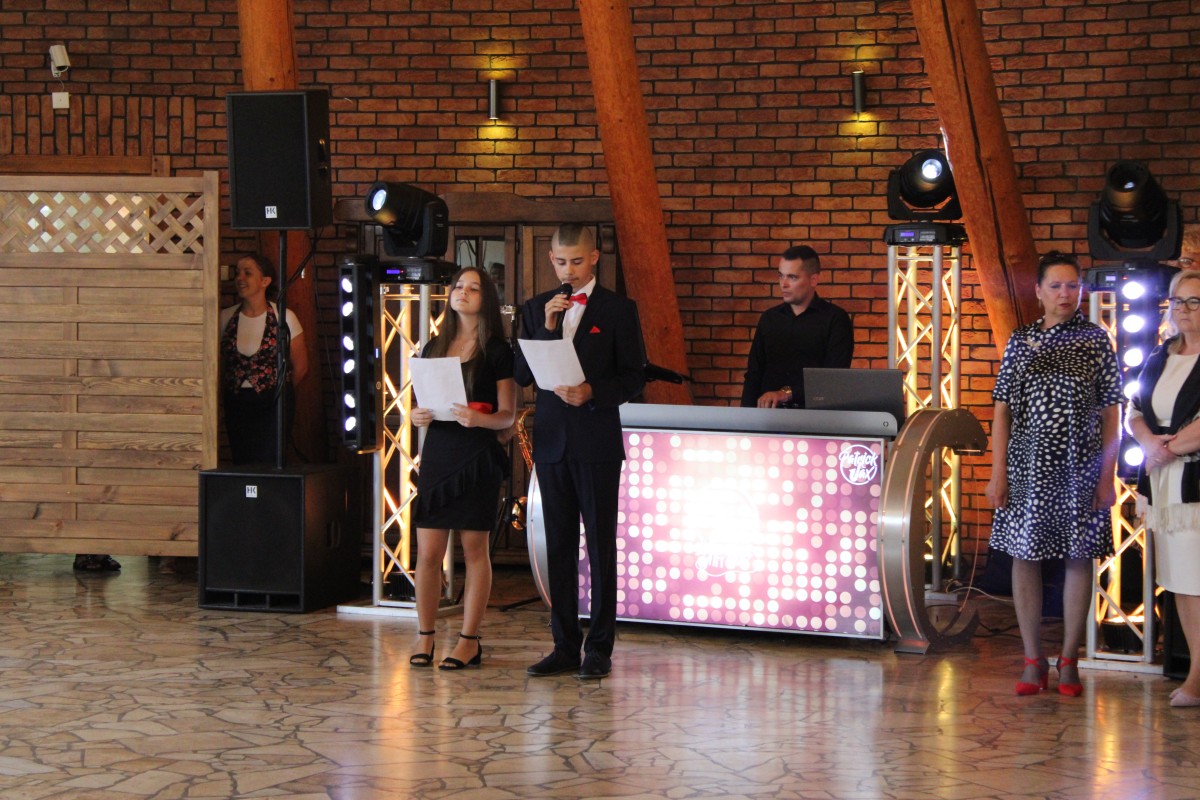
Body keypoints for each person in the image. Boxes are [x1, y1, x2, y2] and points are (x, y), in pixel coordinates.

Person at [985, 252, 1122, 697]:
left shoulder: (1095, 339)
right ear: (1039, 291)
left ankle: (1069, 660)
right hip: (1026, 466)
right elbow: (1001, 411)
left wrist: (1107, 476)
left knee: (1079, 558)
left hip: (1079, 466)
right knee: (1024, 556)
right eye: (1056, 286)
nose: (1065, 294)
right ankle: (1032, 660)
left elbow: (1112, 413)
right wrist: (998, 473)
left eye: (1072, 286)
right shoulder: (1020, 340)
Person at [514, 224, 646, 680]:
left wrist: (593, 391)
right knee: (559, 544)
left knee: (600, 544)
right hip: (552, 441)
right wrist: (548, 327)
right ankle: (564, 645)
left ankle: (600, 648)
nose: (567, 270)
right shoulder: (537, 308)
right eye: (560, 262)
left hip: (595, 440)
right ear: (551, 261)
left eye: (575, 261)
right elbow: (522, 374)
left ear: (593, 258)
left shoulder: (618, 309)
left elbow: (634, 377)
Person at [408, 267, 517, 671]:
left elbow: (508, 415)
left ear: (486, 299)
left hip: (476, 456)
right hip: (439, 453)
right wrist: (417, 415)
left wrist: (480, 420)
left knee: (474, 551)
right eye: (458, 286)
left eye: (473, 288)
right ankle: (425, 635)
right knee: (428, 553)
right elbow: (426, 403)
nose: (463, 292)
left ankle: (469, 641)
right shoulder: (433, 346)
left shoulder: (497, 350)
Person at [1127, 268, 1200, 708]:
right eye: (1178, 301)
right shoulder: (1161, 354)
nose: (1184, 310)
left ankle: (1197, 678)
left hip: (1194, 480)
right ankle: (1197, 672)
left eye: (1195, 301)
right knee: (1182, 581)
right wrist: (1149, 444)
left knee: (1197, 580)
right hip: (1165, 483)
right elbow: (1135, 409)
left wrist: (1166, 448)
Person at [219, 254, 308, 465]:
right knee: (241, 460)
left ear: (265, 281)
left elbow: (301, 367)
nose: (240, 278)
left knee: (271, 461)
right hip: (237, 404)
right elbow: (219, 365)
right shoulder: (224, 317)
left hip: (274, 403)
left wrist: (279, 393)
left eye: (247, 273)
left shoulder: (284, 317)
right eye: (237, 273)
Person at [740, 244, 853, 408]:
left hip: (815, 415)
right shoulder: (769, 319)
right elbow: (753, 375)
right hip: (769, 415)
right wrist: (746, 416)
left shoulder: (836, 319)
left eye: (792, 277)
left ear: (813, 280)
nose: (783, 284)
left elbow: (833, 379)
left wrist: (785, 394)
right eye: (781, 276)